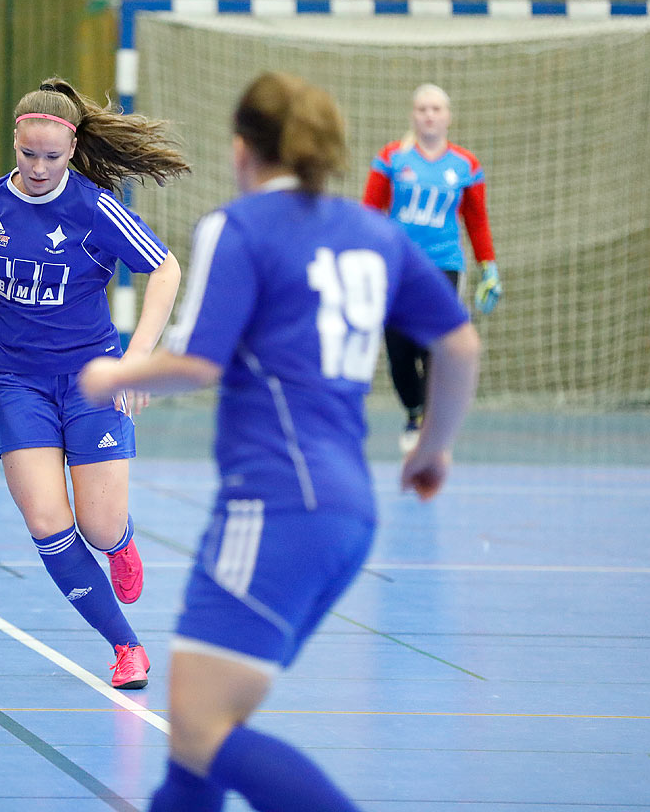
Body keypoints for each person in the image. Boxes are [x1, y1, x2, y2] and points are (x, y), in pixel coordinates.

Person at [79, 71, 480, 810]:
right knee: (192, 761)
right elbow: (458, 345)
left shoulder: (241, 228)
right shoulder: (374, 233)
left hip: (275, 508)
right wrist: (434, 447)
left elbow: (198, 362)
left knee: (199, 730)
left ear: (241, 149)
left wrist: (113, 376)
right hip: (348, 512)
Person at [0, 77, 188, 690]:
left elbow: (165, 269)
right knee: (49, 523)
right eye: (27, 154)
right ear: (15, 142)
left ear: (72, 147)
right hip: (15, 382)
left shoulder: (93, 207)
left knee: (100, 525)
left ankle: (121, 542)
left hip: (93, 380)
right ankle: (125, 646)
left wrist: (138, 356)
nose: (36, 167)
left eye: (51, 157)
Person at [362, 83, 498, 453]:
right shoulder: (392, 158)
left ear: (448, 116)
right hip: (398, 266)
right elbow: (368, 214)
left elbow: (477, 220)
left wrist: (489, 267)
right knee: (400, 351)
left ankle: (431, 426)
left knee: (436, 347)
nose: (429, 115)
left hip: (443, 266)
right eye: (423, 109)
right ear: (413, 115)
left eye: (436, 109)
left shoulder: (465, 165)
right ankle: (415, 410)